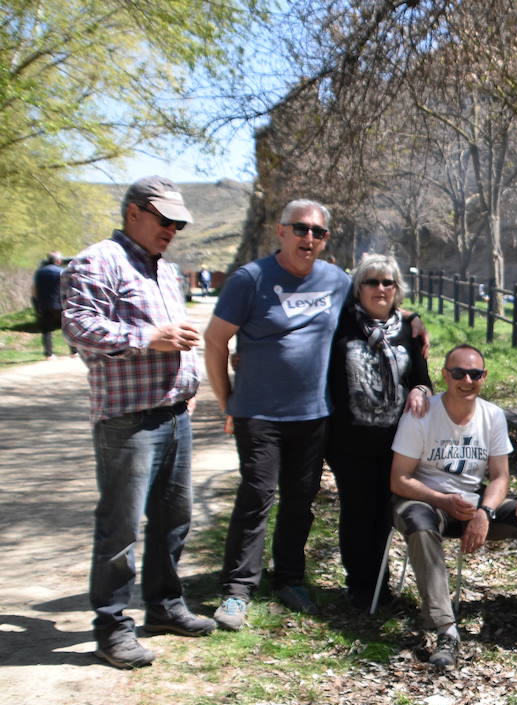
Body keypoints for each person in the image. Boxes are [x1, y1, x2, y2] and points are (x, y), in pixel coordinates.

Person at [61, 176, 212, 668]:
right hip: (127, 421)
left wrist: (187, 388)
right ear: (133, 213)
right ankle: (111, 625)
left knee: (174, 520)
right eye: (164, 219)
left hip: (173, 415)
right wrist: (151, 337)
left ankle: (165, 606)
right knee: (120, 526)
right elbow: (80, 327)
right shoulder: (97, 260)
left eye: (178, 223)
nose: (172, 229)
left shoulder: (165, 270)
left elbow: (179, 339)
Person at [204, 200, 354, 628]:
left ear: (325, 239)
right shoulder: (249, 280)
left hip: (313, 414)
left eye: (318, 233)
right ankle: (236, 590)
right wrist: (227, 400)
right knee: (256, 497)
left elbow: (367, 314)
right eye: (301, 229)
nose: (309, 239)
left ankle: (289, 578)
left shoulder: (336, 280)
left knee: (300, 500)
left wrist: (411, 324)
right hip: (259, 413)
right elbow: (215, 341)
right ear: (281, 232)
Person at [391, 344, 517, 667]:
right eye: (458, 373)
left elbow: (501, 477)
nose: (467, 380)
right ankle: (445, 630)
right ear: (445, 375)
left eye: (475, 374)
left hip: (473, 502)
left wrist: (484, 513)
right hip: (424, 500)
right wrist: (441, 499)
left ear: (483, 377)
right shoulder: (422, 414)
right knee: (420, 522)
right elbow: (399, 480)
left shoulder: (492, 415)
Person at [326, 254, 432, 610]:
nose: (381, 289)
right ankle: (360, 586)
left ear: (397, 290)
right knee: (358, 512)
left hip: (396, 444)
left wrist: (419, 390)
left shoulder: (408, 331)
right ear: (358, 288)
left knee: (384, 515)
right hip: (349, 441)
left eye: (388, 282)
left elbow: (422, 380)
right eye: (372, 282)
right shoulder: (340, 326)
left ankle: (380, 588)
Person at [32, 252, 66, 359]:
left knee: (46, 329)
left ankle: (49, 354)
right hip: (60, 303)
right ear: (58, 261)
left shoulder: (39, 272)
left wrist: (36, 301)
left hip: (44, 303)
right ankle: (74, 352)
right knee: (68, 326)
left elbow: (34, 288)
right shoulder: (62, 271)